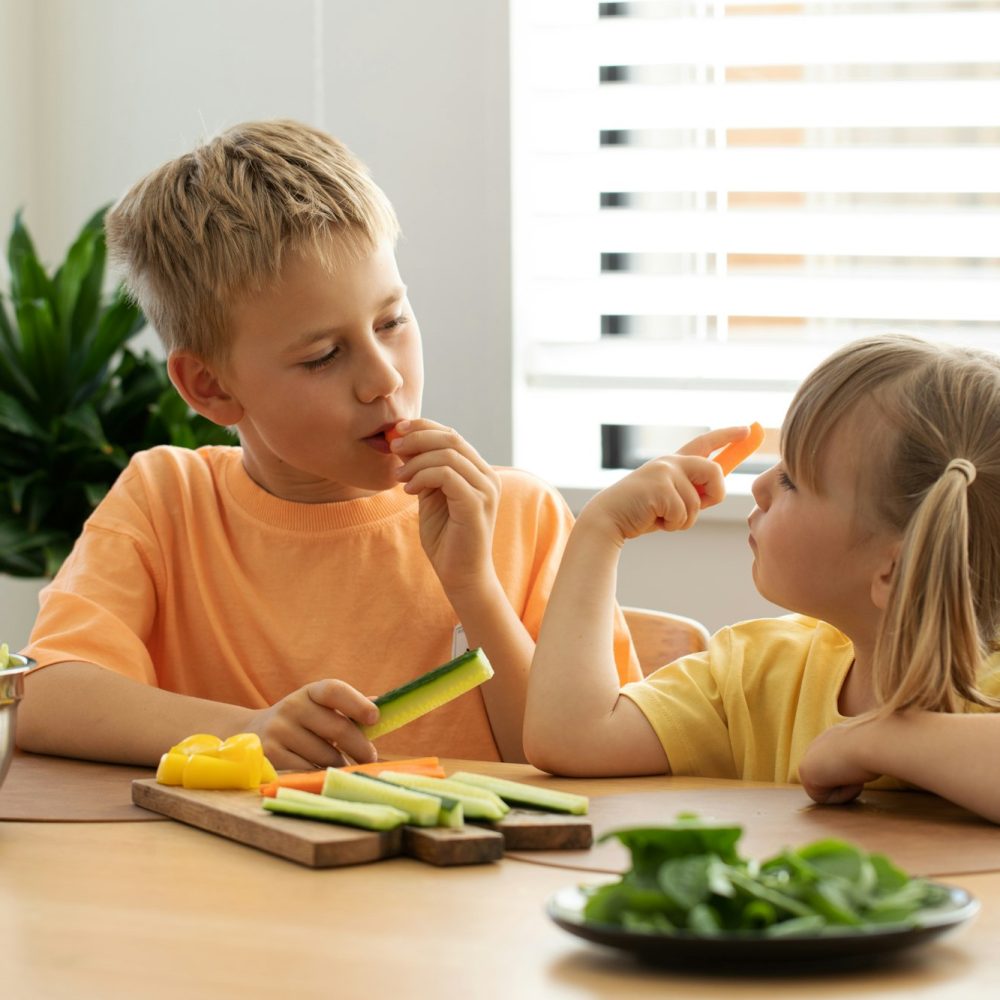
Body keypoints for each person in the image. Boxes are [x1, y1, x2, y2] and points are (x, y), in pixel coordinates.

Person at [18, 119, 640, 769]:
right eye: (322, 356)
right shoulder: (166, 501)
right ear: (209, 386)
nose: (384, 378)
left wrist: (474, 585)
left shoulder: (520, 515)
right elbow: (44, 694)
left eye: (392, 321)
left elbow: (580, 758)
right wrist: (250, 731)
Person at [524, 334, 1000, 822]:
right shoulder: (758, 673)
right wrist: (599, 532)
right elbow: (572, 738)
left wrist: (877, 739)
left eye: (792, 479)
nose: (758, 485)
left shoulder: (987, 688)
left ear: (895, 571)